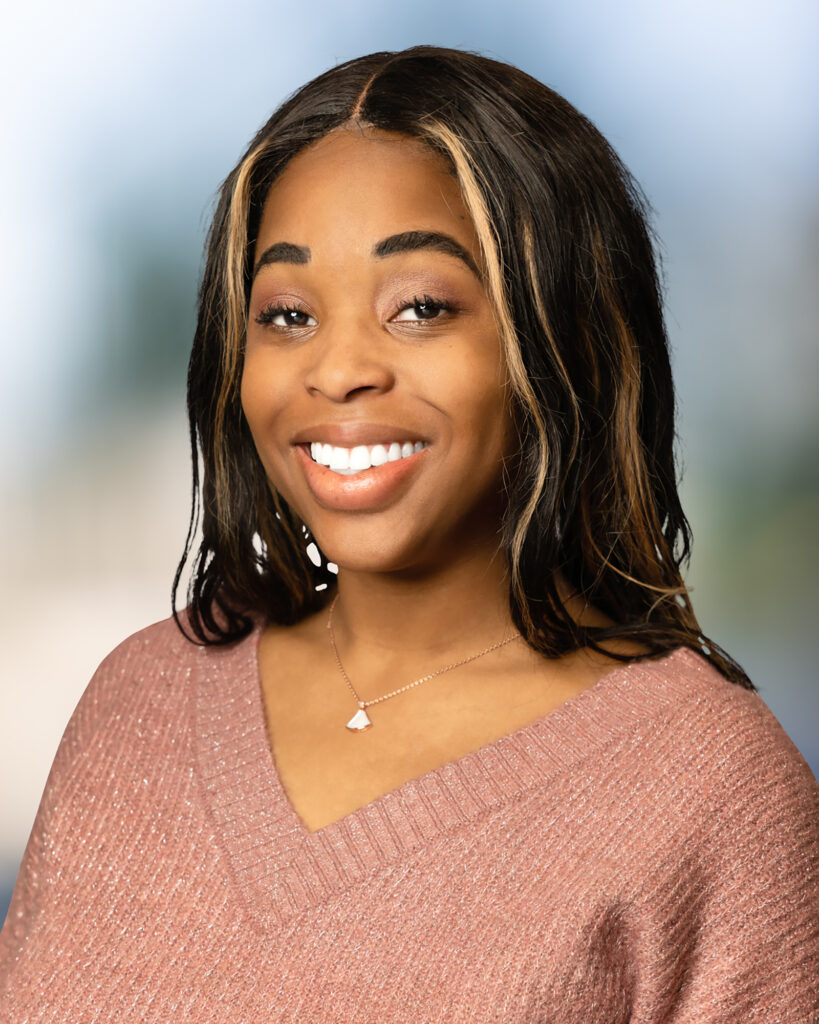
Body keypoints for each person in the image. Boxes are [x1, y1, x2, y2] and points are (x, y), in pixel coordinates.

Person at [1, 44, 817, 1022]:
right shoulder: (138, 700)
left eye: (421, 307)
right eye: (289, 313)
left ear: (564, 338)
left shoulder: (711, 788)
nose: (339, 369)